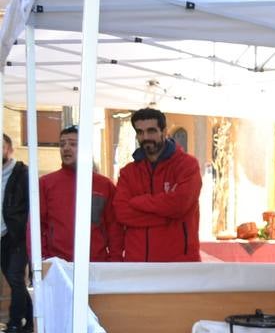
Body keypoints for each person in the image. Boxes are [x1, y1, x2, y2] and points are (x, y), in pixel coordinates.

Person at [113, 107, 202, 261]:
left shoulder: (187, 165)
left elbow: (180, 204)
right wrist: (168, 217)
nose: (145, 136)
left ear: (164, 131)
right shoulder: (128, 173)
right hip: (137, 264)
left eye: (151, 131)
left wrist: (138, 202)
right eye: (140, 132)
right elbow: (121, 212)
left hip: (179, 265)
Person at [38, 126, 124, 264]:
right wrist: (42, 260)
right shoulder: (45, 183)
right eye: (62, 144)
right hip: (58, 265)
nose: (66, 148)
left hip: (96, 264)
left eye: (73, 144)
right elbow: (37, 225)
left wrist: (115, 261)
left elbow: (114, 228)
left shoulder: (104, 185)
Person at [1, 133, 32, 333]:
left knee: (15, 276)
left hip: (17, 234)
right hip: (2, 236)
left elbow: (30, 205)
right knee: (14, 280)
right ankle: (30, 320)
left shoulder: (22, 173)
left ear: (10, 149)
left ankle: (14, 324)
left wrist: (24, 231)